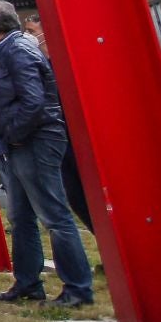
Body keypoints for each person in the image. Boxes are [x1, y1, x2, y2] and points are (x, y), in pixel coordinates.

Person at [0, 0, 94, 307]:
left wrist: (13, 135)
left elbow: (34, 100)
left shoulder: (18, 52)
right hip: (19, 143)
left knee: (54, 215)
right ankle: (28, 282)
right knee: (21, 217)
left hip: (33, 141)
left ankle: (78, 288)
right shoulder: (11, 51)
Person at [22, 14, 93, 229]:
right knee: (75, 194)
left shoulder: (66, 64)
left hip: (77, 136)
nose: (28, 36)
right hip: (57, 139)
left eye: (32, 32)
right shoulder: (38, 65)